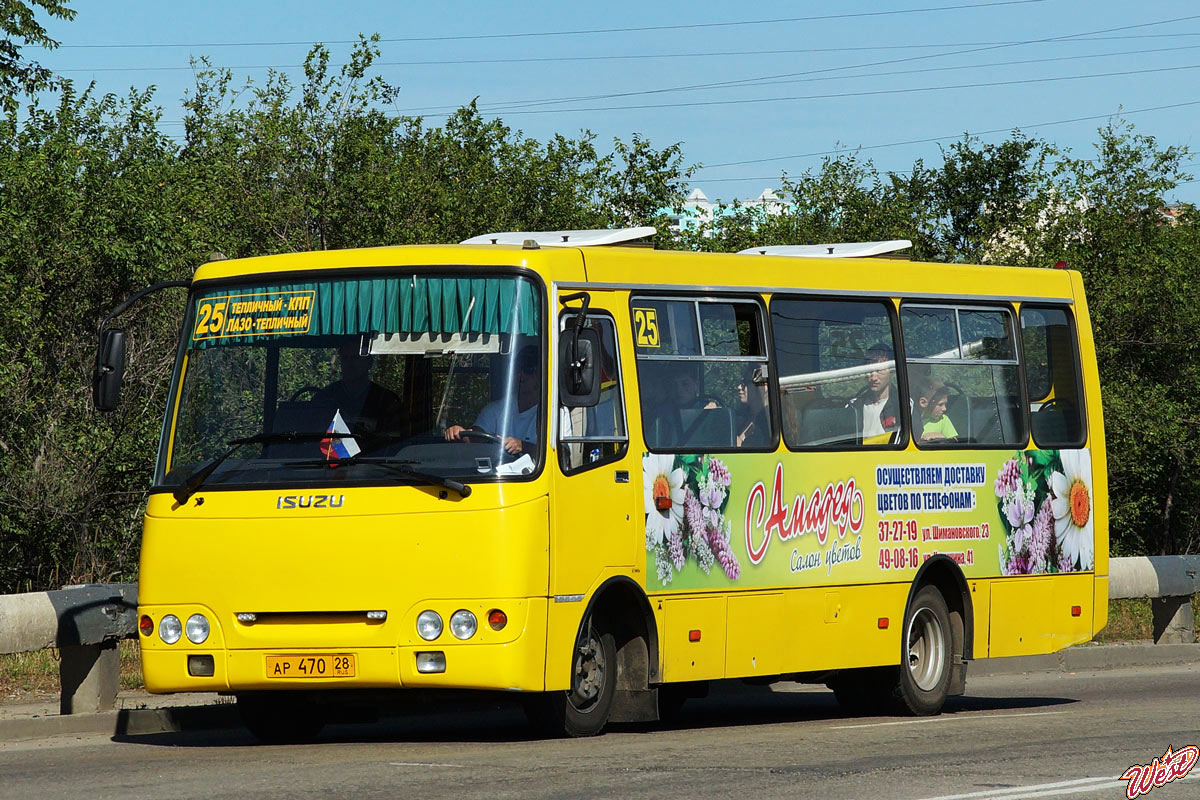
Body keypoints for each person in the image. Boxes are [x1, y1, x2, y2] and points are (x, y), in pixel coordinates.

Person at [444, 345, 541, 456]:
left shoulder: (553, 414)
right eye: (518, 369)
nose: (522, 375)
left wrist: (523, 446)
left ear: (542, 373)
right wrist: (459, 432)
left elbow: (561, 454)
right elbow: (477, 437)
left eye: (529, 370)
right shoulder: (495, 409)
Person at [313, 338, 403, 437]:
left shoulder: (386, 400)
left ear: (369, 363)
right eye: (345, 358)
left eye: (355, 358)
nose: (350, 364)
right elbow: (313, 434)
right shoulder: (324, 398)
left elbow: (394, 439)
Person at [846, 342, 900, 443]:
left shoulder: (902, 405)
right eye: (869, 371)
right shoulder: (853, 406)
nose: (874, 378)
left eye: (879, 371)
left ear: (891, 371)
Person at [734, 365, 769, 447]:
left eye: (745, 383)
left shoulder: (767, 423)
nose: (739, 387)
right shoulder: (743, 418)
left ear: (762, 387)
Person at [916, 377, 958, 442]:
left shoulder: (943, 420)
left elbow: (955, 441)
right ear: (923, 402)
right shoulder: (913, 420)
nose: (944, 409)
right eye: (940, 404)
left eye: (945, 404)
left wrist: (940, 436)